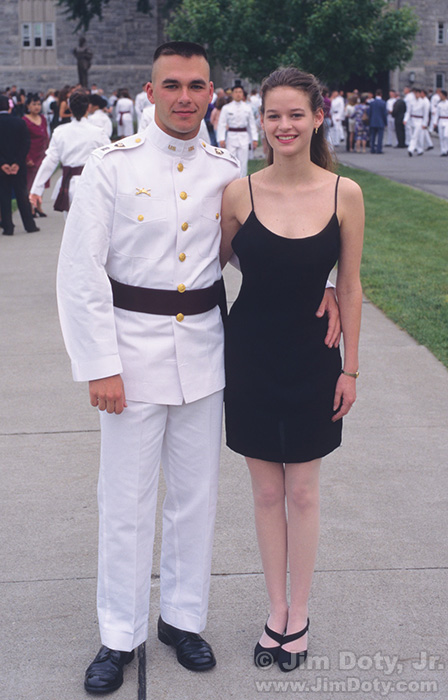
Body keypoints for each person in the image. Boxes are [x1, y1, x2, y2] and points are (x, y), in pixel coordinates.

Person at [55, 42, 340, 695]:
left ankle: (182, 620)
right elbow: (79, 275)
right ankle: (118, 635)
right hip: (129, 353)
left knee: (195, 499)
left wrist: (322, 282)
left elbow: (263, 243)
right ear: (151, 91)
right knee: (125, 503)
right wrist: (99, 363)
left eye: (198, 85)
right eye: (173, 84)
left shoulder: (227, 168)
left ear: (213, 92)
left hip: (209, 352)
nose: (186, 96)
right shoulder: (111, 167)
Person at [220, 66, 363, 673]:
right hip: (249, 352)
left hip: (312, 356)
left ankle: (298, 615)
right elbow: (207, 269)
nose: (284, 125)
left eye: (295, 114)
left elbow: (351, 285)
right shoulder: (239, 192)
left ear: (317, 118)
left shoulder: (343, 193)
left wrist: (350, 368)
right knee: (265, 491)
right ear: (261, 121)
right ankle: (273, 609)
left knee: (302, 492)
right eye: (273, 115)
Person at [29, 89, 109, 215]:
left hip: (70, 183)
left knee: (72, 226)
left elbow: (50, 161)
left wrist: (36, 189)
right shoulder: (97, 132)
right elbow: (110, 158)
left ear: (70, 108)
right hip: (92, 183)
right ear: (88, 108)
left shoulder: (60, 132)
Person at [0, 95, 39, 236]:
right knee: (22, 195)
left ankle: (8, 227)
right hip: (18, 164)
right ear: (9, 106)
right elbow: (26, 143)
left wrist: (2, 163)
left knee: (3, 197)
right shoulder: (19, 122)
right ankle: (29, 225)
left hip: (1, 166)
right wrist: (17, 162)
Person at [217, 80, 258, 176]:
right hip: (231, 136)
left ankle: (242, 180)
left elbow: (251, 125)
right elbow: (222, 124)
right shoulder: (226, 108)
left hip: (244, 136)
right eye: (236, 92)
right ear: (232, 94)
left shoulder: (247, 108)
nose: (238, 94)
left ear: (243, 94)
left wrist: (254, 139)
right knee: (231, 161)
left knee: (243, 162)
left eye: (240, 92)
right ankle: (231, 181)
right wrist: (221, 138)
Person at [23, 94, 50, 216]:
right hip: (31, 154)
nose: (36, 107)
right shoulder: (24, 120)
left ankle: (39, 206)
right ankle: (31, 208)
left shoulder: (43, 118)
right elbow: (22, 140)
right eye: (34, 104)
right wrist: (26, 157)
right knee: (30, 183)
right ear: (28, 106)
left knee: (41, 181)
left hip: (42, 154)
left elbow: (46, 136)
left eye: (38, 104)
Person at [368, 88, 387, 154]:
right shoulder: (383, 103)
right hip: (380, 121)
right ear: (381, 94)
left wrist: (370, 120)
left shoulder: (372, 103)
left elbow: (369, 112)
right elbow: (384, 114)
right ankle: (379, 149)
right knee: (380, 137)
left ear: (375, 94)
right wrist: (385, 122)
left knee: (372, 136)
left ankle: (372, 148)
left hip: (373, 121)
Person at [435, 89, 448, 156]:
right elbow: (436, 114)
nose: (440, 96)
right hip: (441, 120)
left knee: (446, 136)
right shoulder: (439, 104)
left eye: (441, 95)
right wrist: (435, 122)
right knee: (441, 136)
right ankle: (443, 151)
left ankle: (446, 149)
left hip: (447, 120)